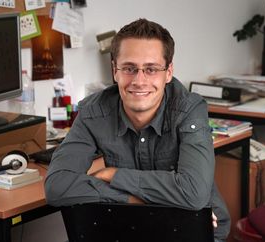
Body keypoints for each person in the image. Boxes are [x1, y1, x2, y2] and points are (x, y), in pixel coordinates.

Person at [45, 18, 230, 241]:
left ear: (168, 72)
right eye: (129, 68)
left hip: (194, 232)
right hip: (132, 227)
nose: (139, 81)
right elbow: (56, 187)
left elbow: (194, 193)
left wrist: (114, 175)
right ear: (115, 71)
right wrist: (137, 200)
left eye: (151, 69)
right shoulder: (94, 112)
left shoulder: (190, 109)